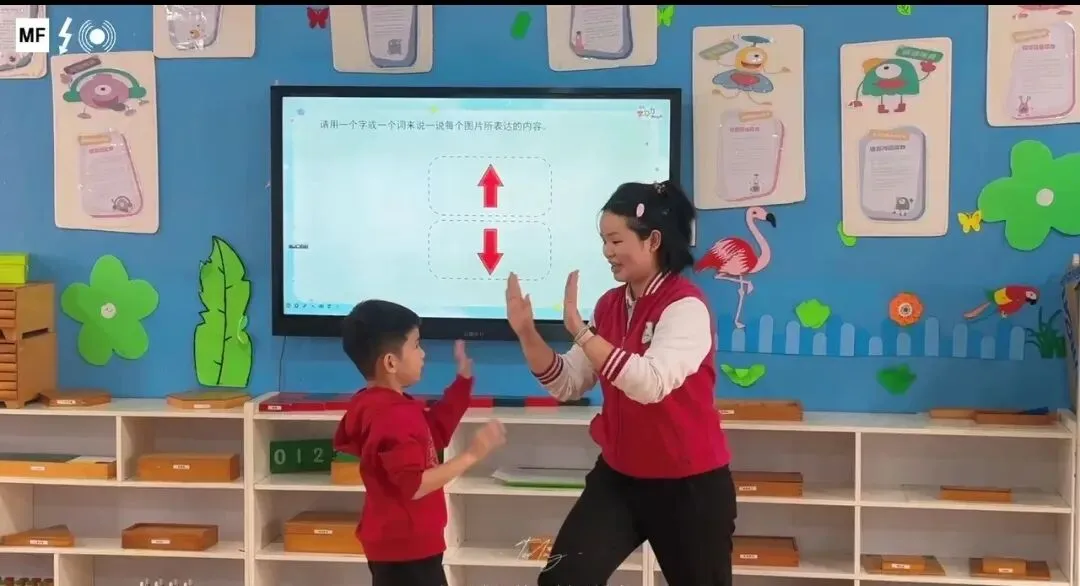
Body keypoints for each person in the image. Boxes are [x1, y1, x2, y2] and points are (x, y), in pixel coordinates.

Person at [505, 181, 737, 586]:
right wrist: (527, 333)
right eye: (603, 241)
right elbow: (568, 382)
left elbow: (650, 384)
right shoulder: (610, 305)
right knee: (562, 580)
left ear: (653, 241)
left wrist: (582, 333)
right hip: (619, 479)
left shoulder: (685, 306)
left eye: (615, 240)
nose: (607, 252)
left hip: (689, 487)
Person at [333, 299, 507, 586]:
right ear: (391, 362)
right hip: (406, 549)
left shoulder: (384, 404)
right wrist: (472, 454)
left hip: (404, 545)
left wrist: (462, 384)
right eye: (416, 345)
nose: (423, 353)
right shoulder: (392, 415)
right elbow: (414, 484)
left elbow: (432, 433)